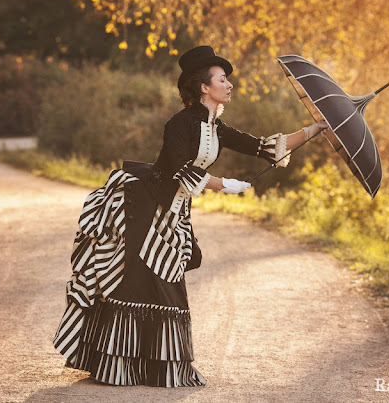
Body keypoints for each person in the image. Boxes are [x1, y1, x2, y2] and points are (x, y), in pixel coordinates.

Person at [52, 46, 328, 387]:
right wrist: (223, 184)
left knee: (163, 286)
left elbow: (264, 147)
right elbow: (181, 170)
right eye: (222, 79)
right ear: (203, 87)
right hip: (147, 211)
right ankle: (123, 368)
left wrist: (315, 128)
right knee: (143, 287)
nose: (229, 85)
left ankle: (156, 369)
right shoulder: (179, 124)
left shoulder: (218, 127)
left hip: (175, 215)